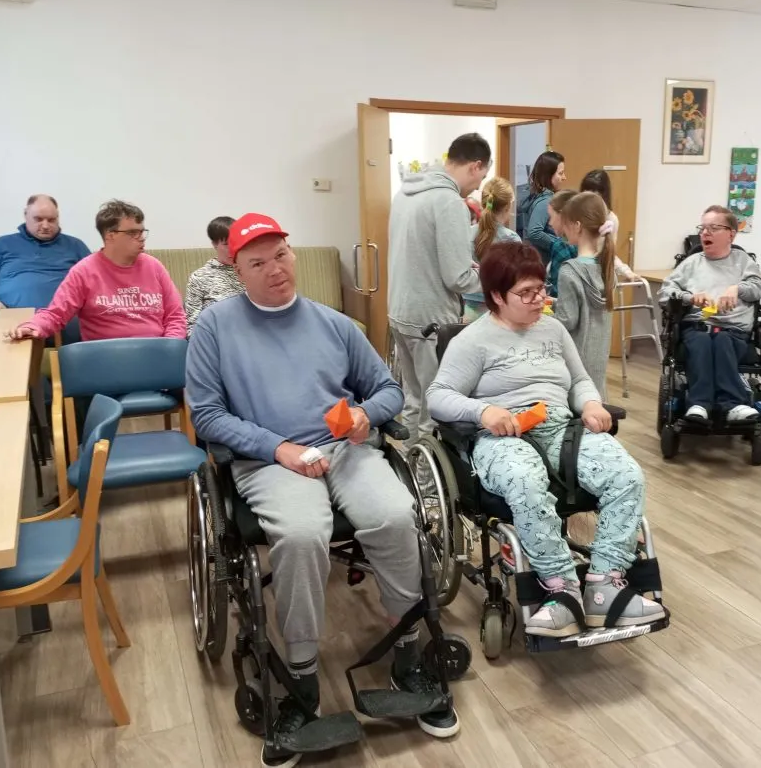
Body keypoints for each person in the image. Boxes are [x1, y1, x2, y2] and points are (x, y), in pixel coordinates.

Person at [186, 213, 460, 764]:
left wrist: (364, 415)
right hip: (270, 458)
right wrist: (277, 448)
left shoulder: (333, 324)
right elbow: (207, 415)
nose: (274, 269)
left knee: (395, 514)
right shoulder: (214, 329)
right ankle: (302, 682)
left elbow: (387, 389)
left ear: (292, 254)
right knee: (302, 533)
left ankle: (407, 653)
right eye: (257, 263)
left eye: (280, 255)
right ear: (237, 270)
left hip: (345, 449)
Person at [426, 241, 665, 637]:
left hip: (559, 427)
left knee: (626, 475)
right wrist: (484, 411)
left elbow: (579, 379)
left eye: (541, 289)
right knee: (526, 481)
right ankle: (560, 589)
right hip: (502, 433)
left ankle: (605, 584)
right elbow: (438, 396)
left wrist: (590, 403)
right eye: (526, 293)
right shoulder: (473, 340)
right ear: (497, 297)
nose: (539, 299)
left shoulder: (553, 329)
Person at [387, 133, 488, 448]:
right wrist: (494, 279)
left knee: (413, 398)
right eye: (482, 177)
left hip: (400, 310)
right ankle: (427, 476)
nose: (478, 187)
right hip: (430, 318)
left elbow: (422, 252)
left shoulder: (405, 192)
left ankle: (410, 466)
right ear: (475, 166)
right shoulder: (448, 202)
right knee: (435, 405)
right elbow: (458, 278)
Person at [6, 200, 186, 342]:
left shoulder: (154, 266)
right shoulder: (84, 271)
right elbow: (56, 314)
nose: (141, 238)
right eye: (133, 233)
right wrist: (33, 326)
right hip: (105, 358)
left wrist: (170, 346)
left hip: (155, 353)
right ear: (110, 235)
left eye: (142, 231)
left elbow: (175, 316)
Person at [658, 206, 761, 424]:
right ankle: (700, 404)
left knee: (722, 340)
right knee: (702, 341)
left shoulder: (743, 261)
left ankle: (732, 405)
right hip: (698, 326)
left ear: (731, 234)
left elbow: (759, 287)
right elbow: (664, 293)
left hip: (733, 329)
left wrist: (737, 288)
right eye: (703, 228)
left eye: (713, 228)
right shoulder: (691, 263)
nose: (705, 233)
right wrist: (689, 297)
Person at [0, 194, 90, 342]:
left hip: (62, 324)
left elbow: (96, 282)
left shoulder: (75, 246)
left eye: (51, 220)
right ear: (26, 215)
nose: (45, 225)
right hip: (10, 325)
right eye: (38, 219)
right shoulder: (2, 244)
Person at [553, 191, 615, 399]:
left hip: (575, 365)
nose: (563, 230)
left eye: (566, 224)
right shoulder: (607, 269)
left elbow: (567, 321)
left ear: (577, 226)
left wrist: (546, 315)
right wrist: (557, 302)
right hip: (598, 363)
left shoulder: (569, 271)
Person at [463, 176, 520, 321]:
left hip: (468, 309)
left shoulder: (466, 233)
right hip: (499, 311)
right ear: (508, 207)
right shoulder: (511, 239)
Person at [183, 215, 244, 336]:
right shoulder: (199, 277)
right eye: (226, 244)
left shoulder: (250, 271)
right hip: (215, 338)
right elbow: (191, 325)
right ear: (214, 244)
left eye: (235, 243)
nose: (232, 249)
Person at [579, 168, 642, 283]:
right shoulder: (576, 214)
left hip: (596, 278)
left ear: (603, 196)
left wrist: (627, 272)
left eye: (593, 195)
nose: (589, 200)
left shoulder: (611, 219)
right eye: (585, 194)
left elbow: (609, 254)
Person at [520, 151, 566, 266]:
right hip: (542, 263)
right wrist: (558, 244)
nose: (564, 177)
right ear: (548, 175)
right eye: (560, 173)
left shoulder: (535, 195)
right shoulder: (545, 201)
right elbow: (534, 232)